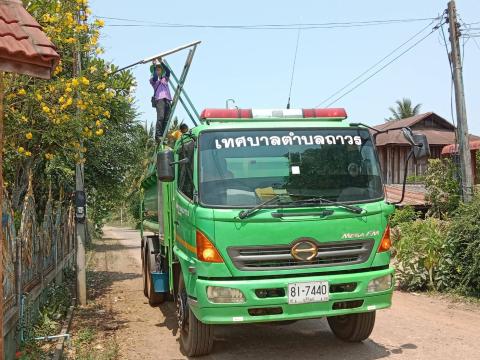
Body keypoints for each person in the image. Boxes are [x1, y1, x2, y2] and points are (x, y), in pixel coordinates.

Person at [150, 59, 172, 142]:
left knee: (166, 119)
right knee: (161, 117)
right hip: (159, 100)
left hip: (168, 100)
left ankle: (163, 135)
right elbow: (155, 77)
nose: (158, 71)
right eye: (157, 70)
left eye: (159, 70)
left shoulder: (164, 79)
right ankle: (158, 136)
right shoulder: (153, 80)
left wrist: (161, 61)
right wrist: (155, 65)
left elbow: (168, 71)